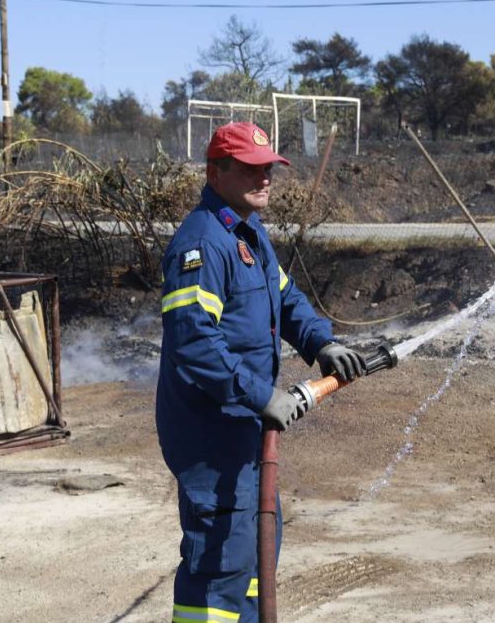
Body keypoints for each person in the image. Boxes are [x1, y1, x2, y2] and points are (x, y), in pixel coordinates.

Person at [156, 121, 366, 622]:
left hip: (242, 427)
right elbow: (194, 342)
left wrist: (321, 342)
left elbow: (284, 296)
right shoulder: (204, 243)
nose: (265, 177)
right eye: (251, 168)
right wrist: (260, 395)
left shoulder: (248, 232)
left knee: (254, 550)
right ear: (216, 171)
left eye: (268, 167)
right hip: (212, 432)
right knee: (221, 563)